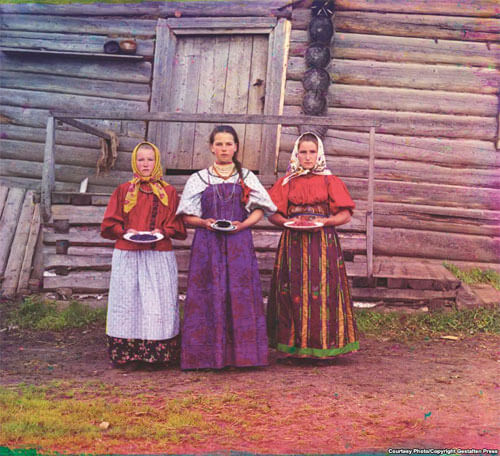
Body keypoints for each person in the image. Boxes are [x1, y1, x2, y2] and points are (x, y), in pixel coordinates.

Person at [177, 125, 277, 370]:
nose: (224, 148)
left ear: (236, 147)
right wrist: (204, 222)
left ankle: (244, 357)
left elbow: (261, 209)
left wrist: (242, 226)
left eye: (228, 144)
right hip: (207, 244)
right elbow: (186, 216)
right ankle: (205, 358)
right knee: (207, 293)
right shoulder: (198, 179)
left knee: (240, 294)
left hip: (238, 244)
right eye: (219, 144)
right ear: (211, 147)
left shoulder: (247, 177)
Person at [267, 132, 359, 360]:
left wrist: (325, 221)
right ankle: (294, 347)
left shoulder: (330, 180)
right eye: (303, 152)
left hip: (322, 242)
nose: (308, 157)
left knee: (324, 289)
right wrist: (287, 222)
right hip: (294, 243)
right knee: (293, 288)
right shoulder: (286, 182)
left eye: (312, 152)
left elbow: (345, 214)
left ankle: (325, 345)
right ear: (296, 154)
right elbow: (273, 213)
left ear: (319, 154)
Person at [101, 141, 186, 369]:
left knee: (157, 302)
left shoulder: (168, 192)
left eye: (150, 159)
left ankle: (157, 355)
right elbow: (110, 222)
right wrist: (124, 231)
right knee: (127, 302)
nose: (145, 164)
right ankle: (127, 355)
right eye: (141, 159)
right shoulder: (123, 191)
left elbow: (176, 224)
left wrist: (162, 231)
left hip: (158, 255)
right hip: (128, 255)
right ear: (134, 163)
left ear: (157, 161)